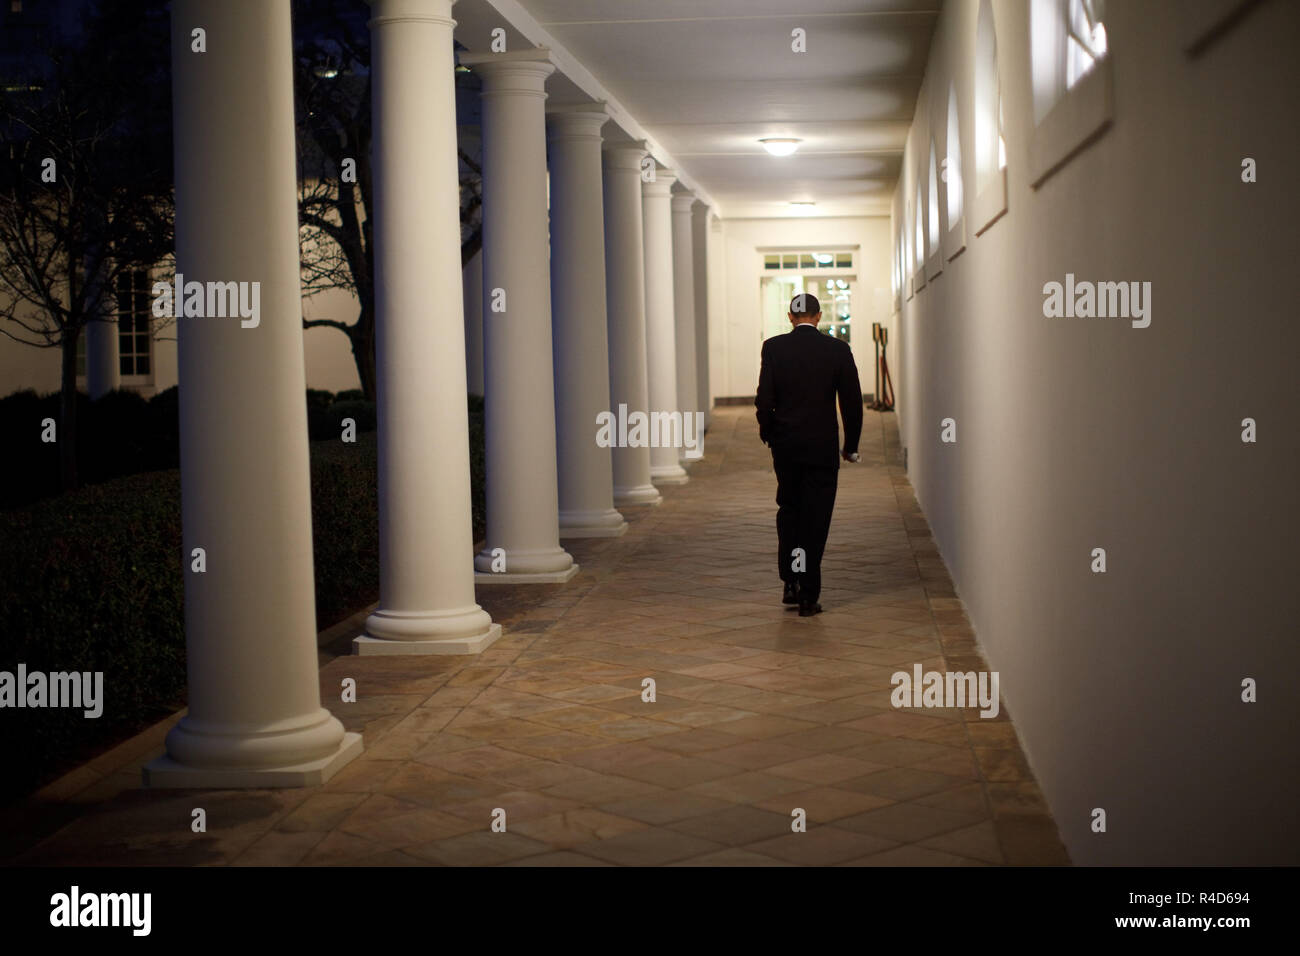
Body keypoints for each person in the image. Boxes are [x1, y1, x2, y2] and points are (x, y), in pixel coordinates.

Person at [755, 292, 864, 616]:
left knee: (790, 512)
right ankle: (808, 592)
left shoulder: (774, 348)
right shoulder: (837, 350)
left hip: (787, 448)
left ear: (790, 317)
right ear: (818, 317)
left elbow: (764, 399)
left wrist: (770, 434)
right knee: (815, 518)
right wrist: (851, 445)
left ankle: (790, 580)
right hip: (821, 448)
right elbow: (852, 402)